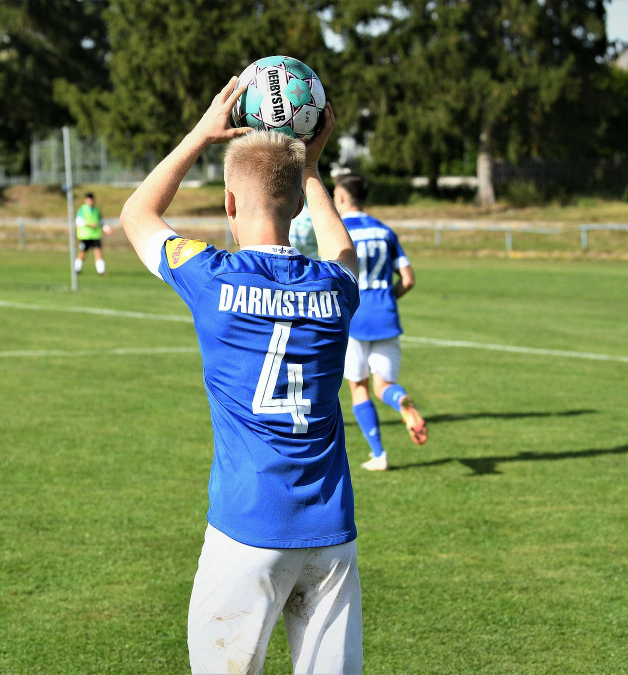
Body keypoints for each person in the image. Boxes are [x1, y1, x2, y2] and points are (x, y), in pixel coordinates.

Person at [119, 78, 363, 674]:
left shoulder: (210, 277)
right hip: (330, 534)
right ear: (300, 205)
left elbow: (137, 213)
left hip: (246, 528)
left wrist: (203, 134)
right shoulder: (333, 289)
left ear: (229, 204)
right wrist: (310, 164)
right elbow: (345, 253)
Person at [333, 173, 428, 472]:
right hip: (386, 317)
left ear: (342, 198)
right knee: (384, 385)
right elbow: (409, 279)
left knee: (359, 387)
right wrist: (387, 299)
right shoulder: (385, 231)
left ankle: (379, 455)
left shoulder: (339, 231)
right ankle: (401, 401)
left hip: (356, 318)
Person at [75, 192, 107, 276]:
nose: (91, 201)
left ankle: (101, 271)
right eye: (89, 200)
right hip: (85, 235)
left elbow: (100, 221)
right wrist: (89, 225)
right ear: (85, 200)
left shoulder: (97, 209)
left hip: (95, 235)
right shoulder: (82, 209)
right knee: (83, 252)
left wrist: (106, 228)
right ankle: (77, 269)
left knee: (98, 252)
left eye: (92, 200)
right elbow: (78, 221)